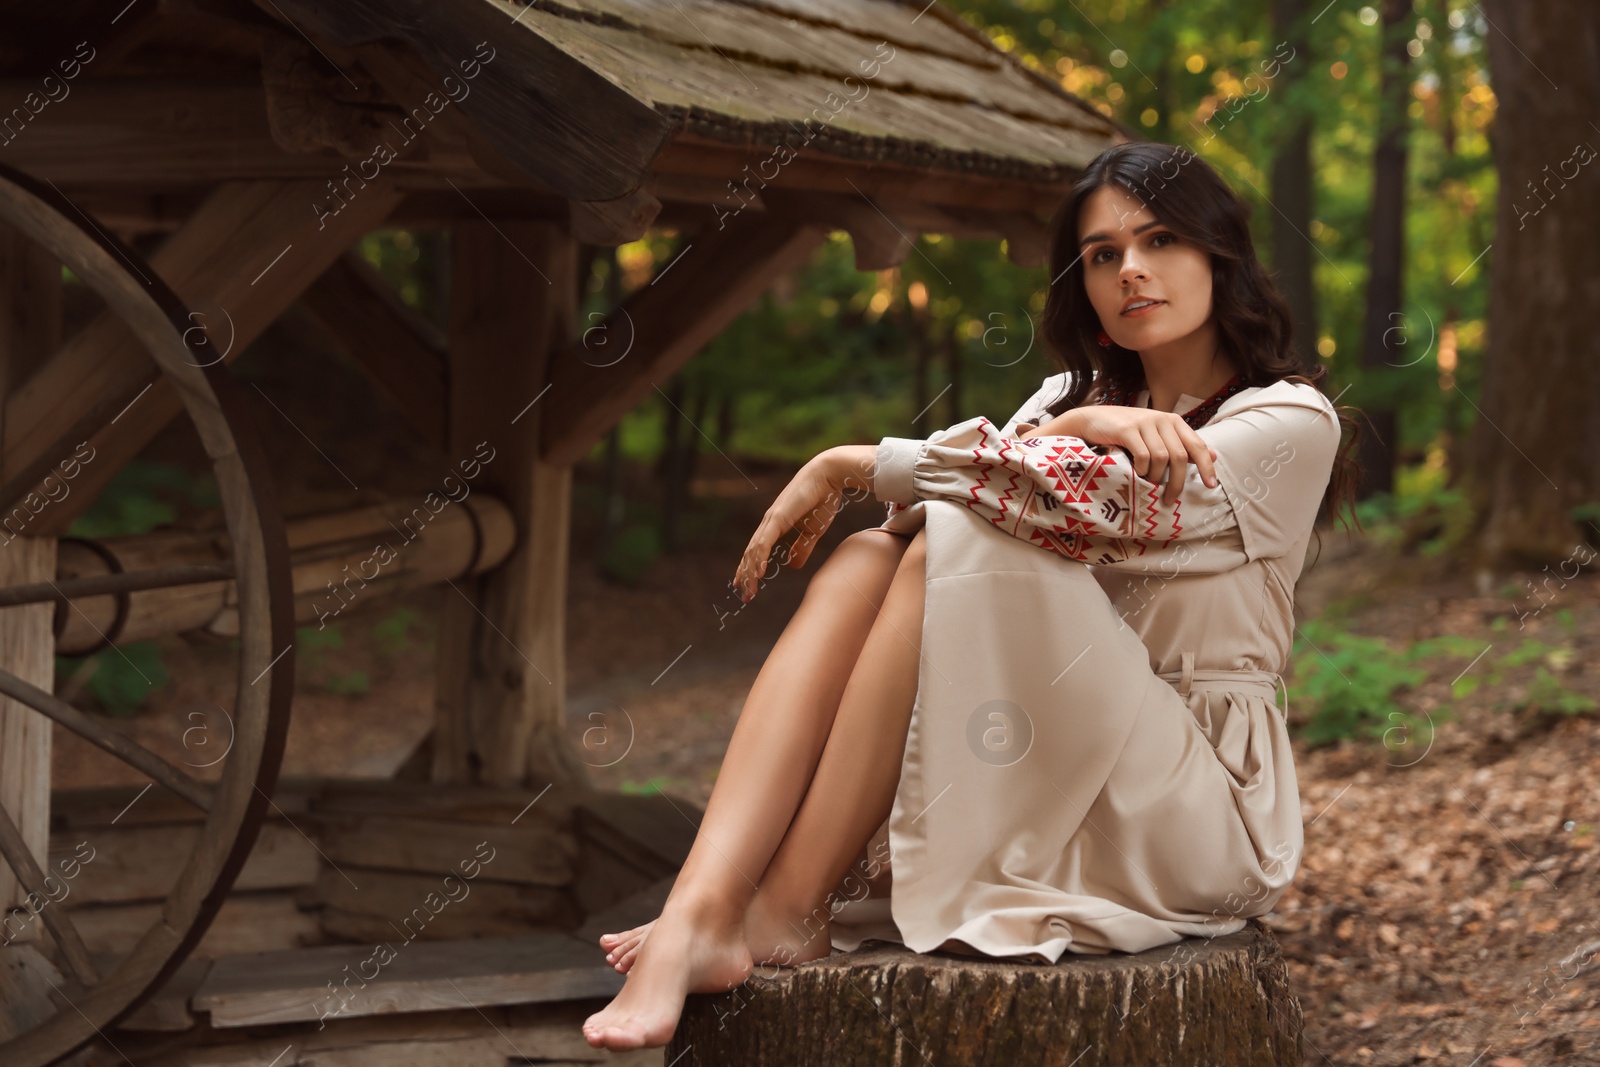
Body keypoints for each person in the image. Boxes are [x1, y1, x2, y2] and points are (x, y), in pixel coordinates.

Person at [581, 141, 1360, 1051]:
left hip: (1188, 811)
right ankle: (704, 908)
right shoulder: (1074, 394)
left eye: (1161, 240)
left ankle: (792, 904)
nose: (1131, 270)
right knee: (873, 556)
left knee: (970, 521)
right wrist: (1077, 415)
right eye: (1103, 254)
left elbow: (1083, 502)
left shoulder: (1287, 420)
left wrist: (856, 461)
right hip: (1048, 764)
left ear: (1220, 257)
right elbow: (935, 511)